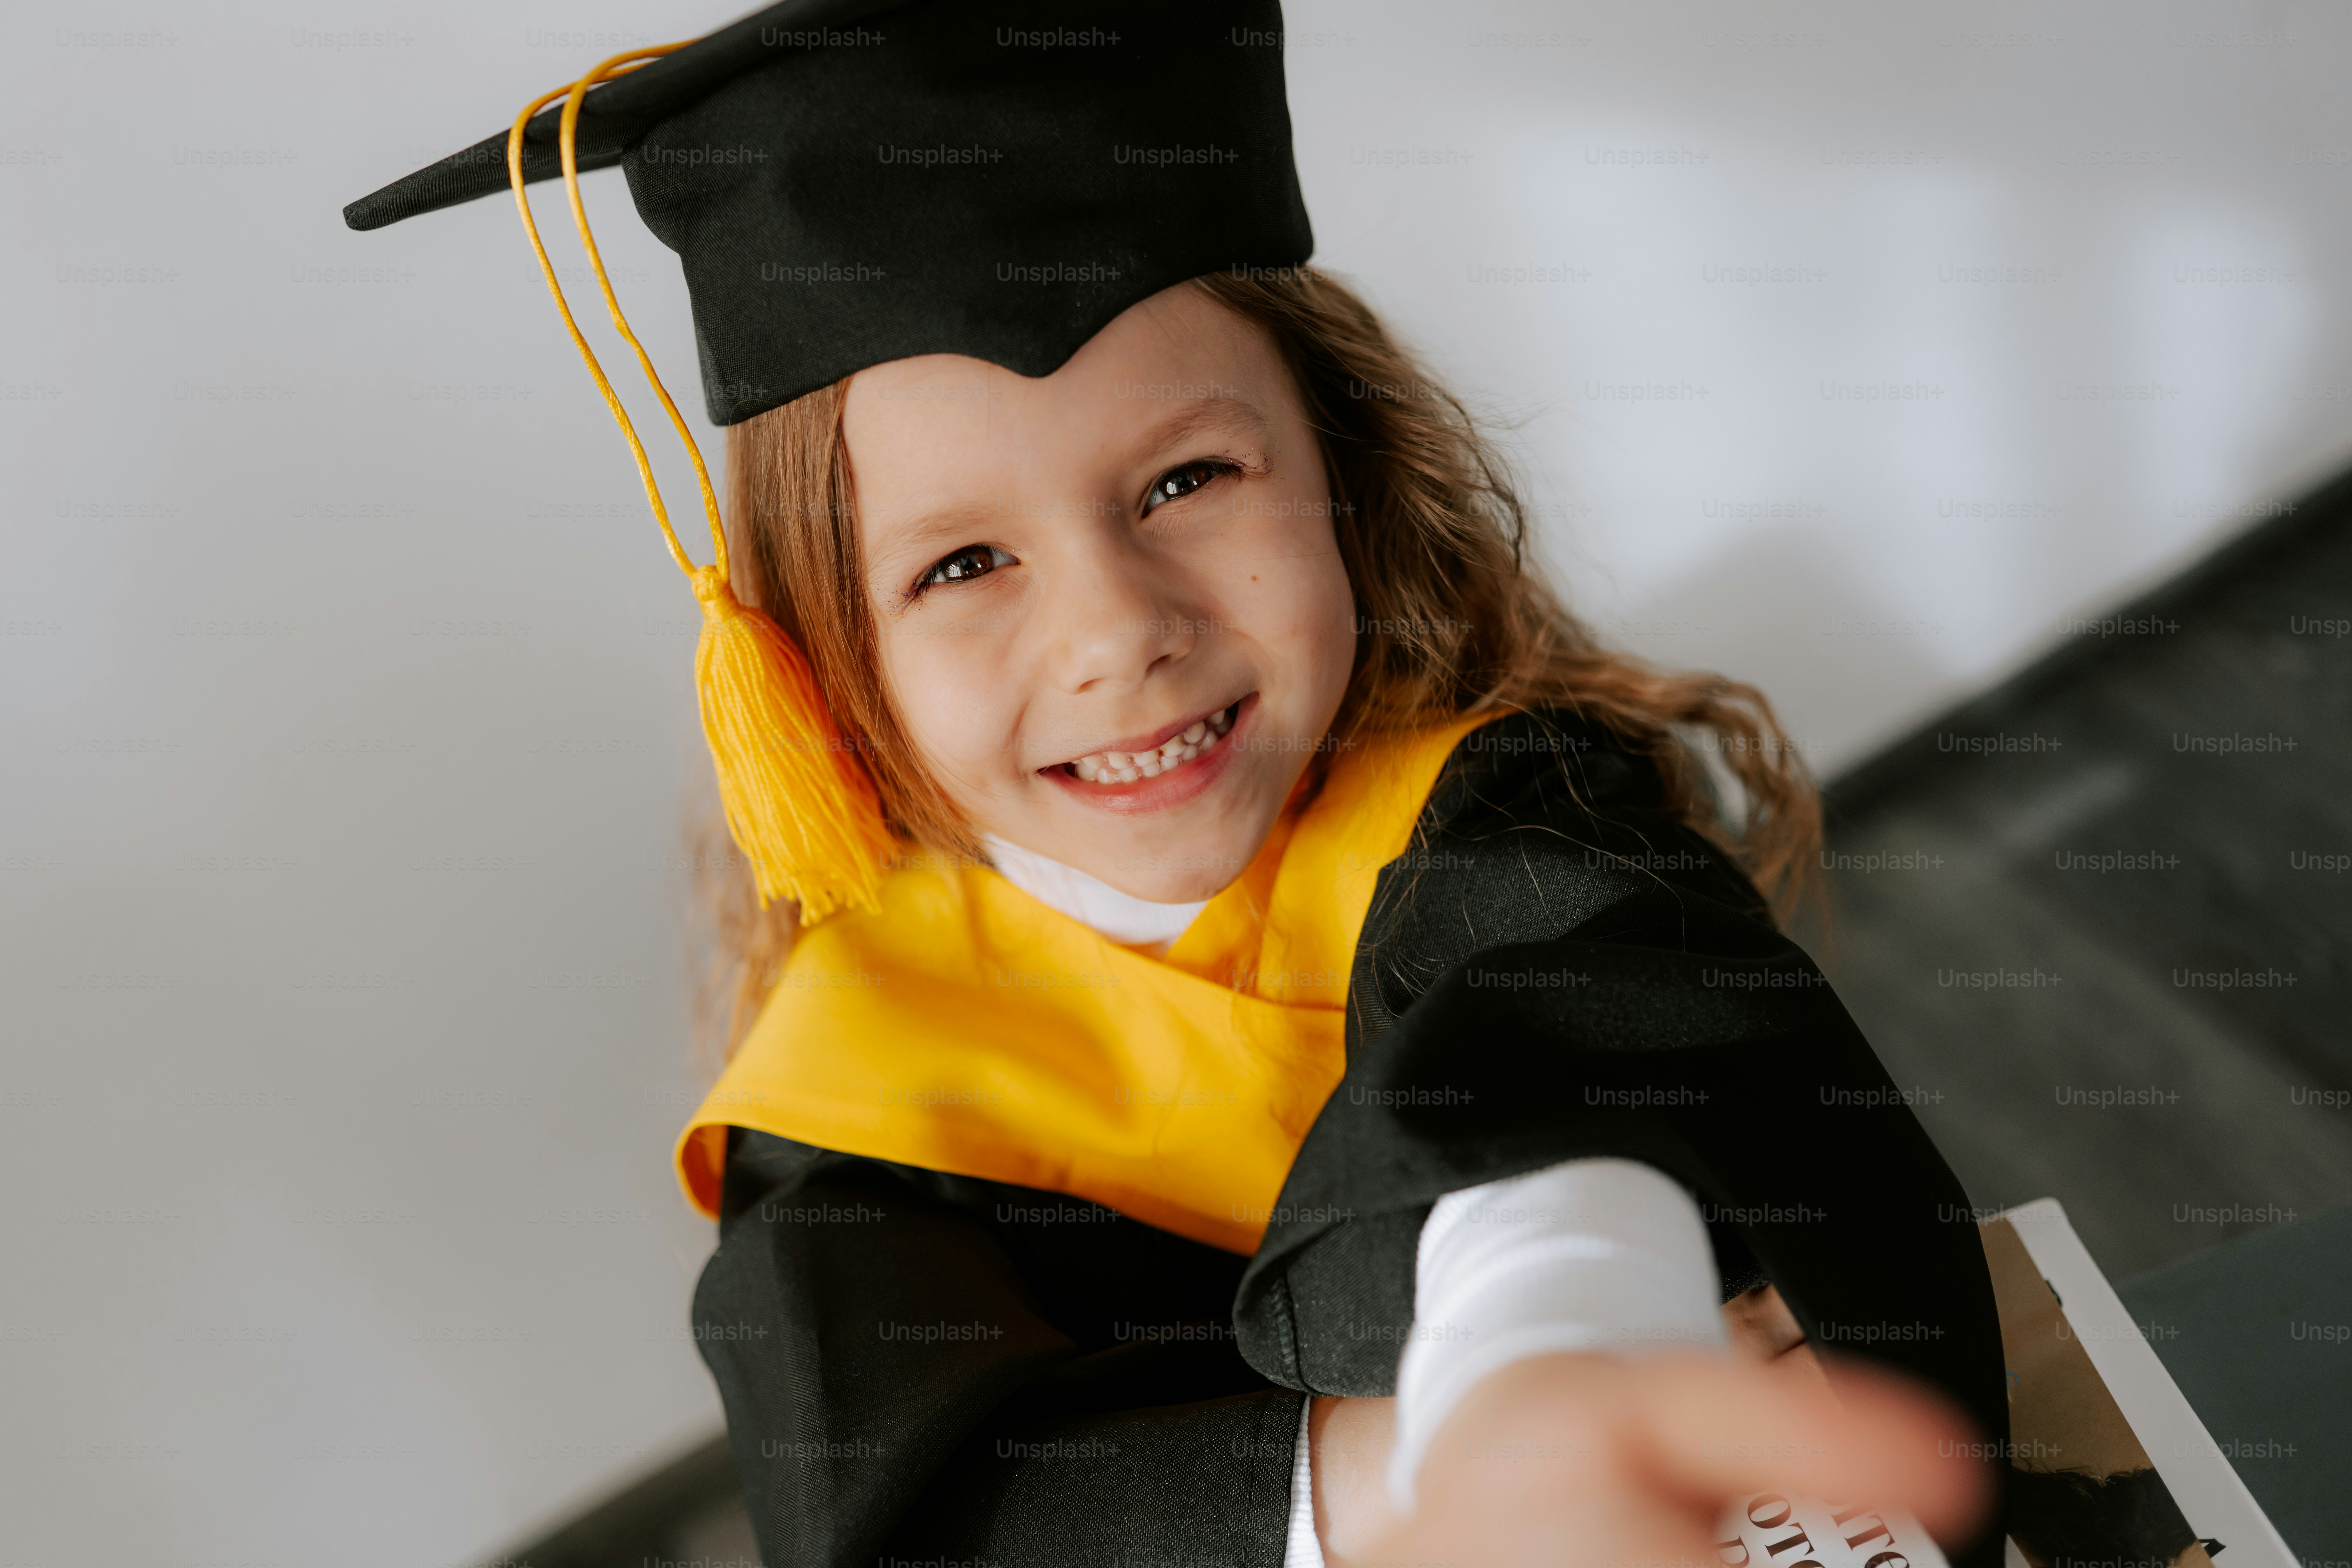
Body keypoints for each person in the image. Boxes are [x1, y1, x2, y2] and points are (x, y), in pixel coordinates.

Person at [346, 6, 2006, 1565]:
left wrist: (1545, 1346)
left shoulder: (1497, 820)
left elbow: (1577, 1035)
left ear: (1347, 476)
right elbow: (908, 1503)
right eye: (964, 563)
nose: (1119, 632)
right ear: (816, 660)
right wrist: (1409, 1476)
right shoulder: (861, 1101)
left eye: (1186, 479)